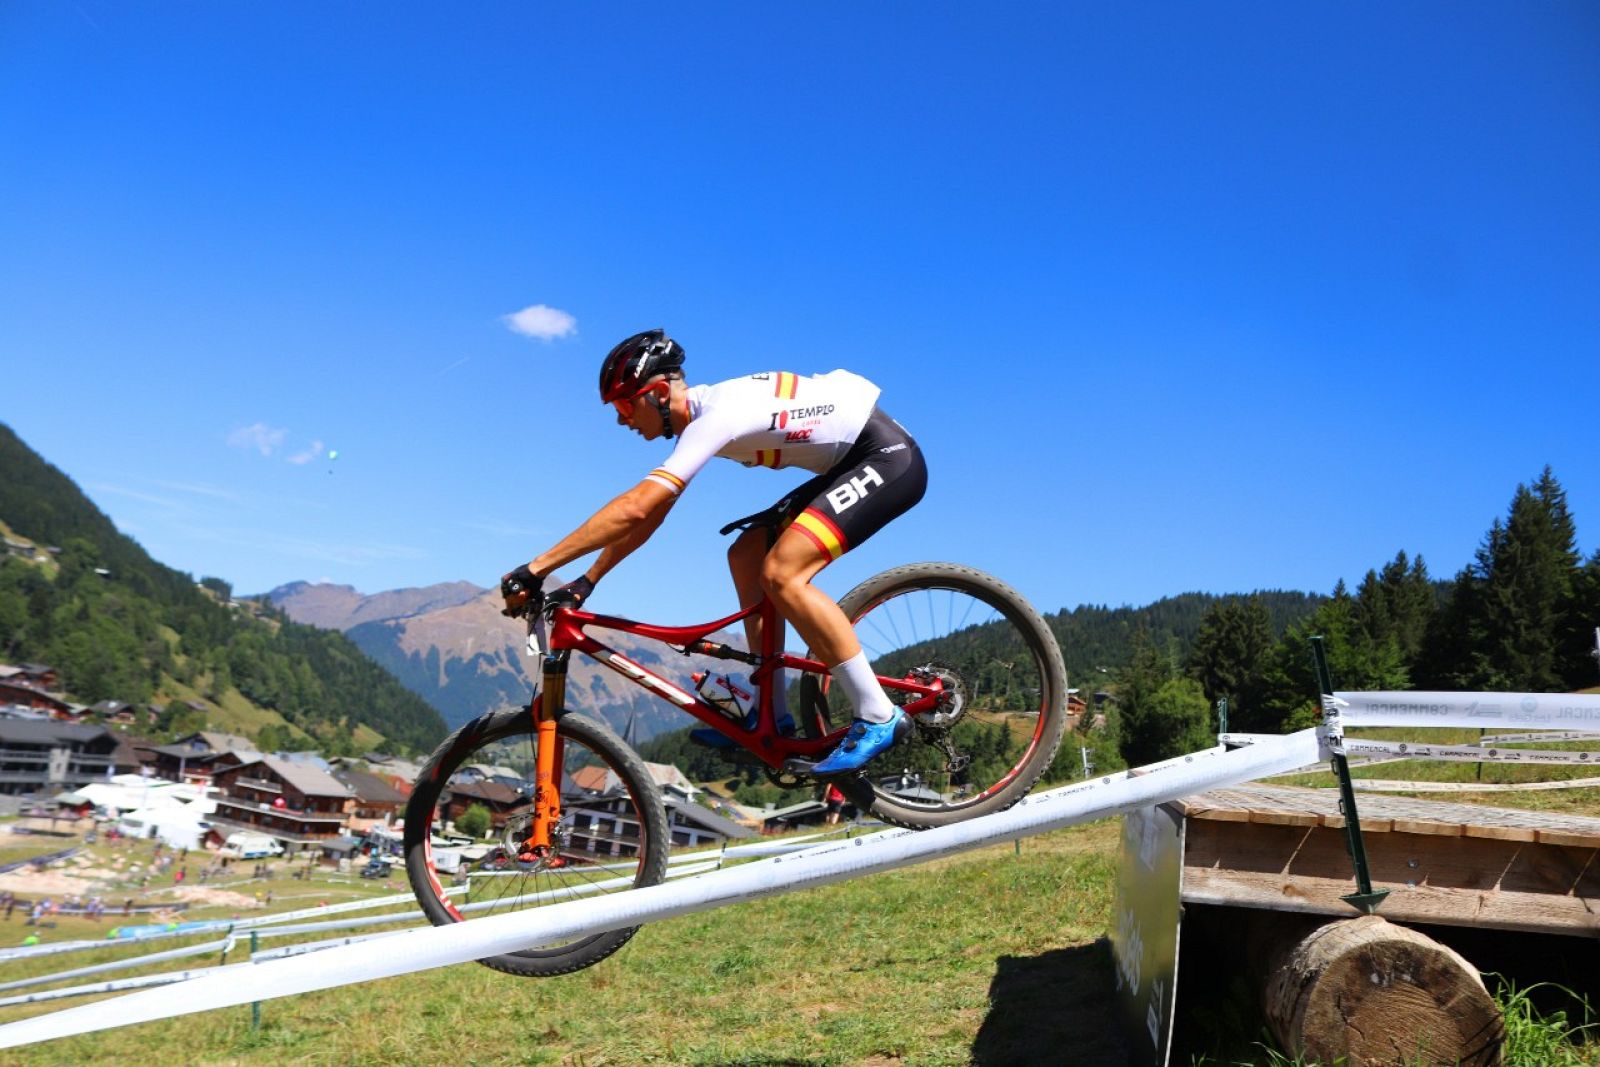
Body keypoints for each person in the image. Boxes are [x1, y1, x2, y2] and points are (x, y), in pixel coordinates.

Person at [502, 329, 927, 775]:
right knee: (746, 556)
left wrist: (536, 569)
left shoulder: (716, 417)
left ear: (660, 393)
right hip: (850, 460)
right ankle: (770, 711)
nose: (621, 420)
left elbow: (636, 506)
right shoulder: (703, 418)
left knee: (783, 572)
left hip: (885, 458)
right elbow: (651, 514)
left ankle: (878, 714)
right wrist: (587, 580)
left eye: (626, 405)